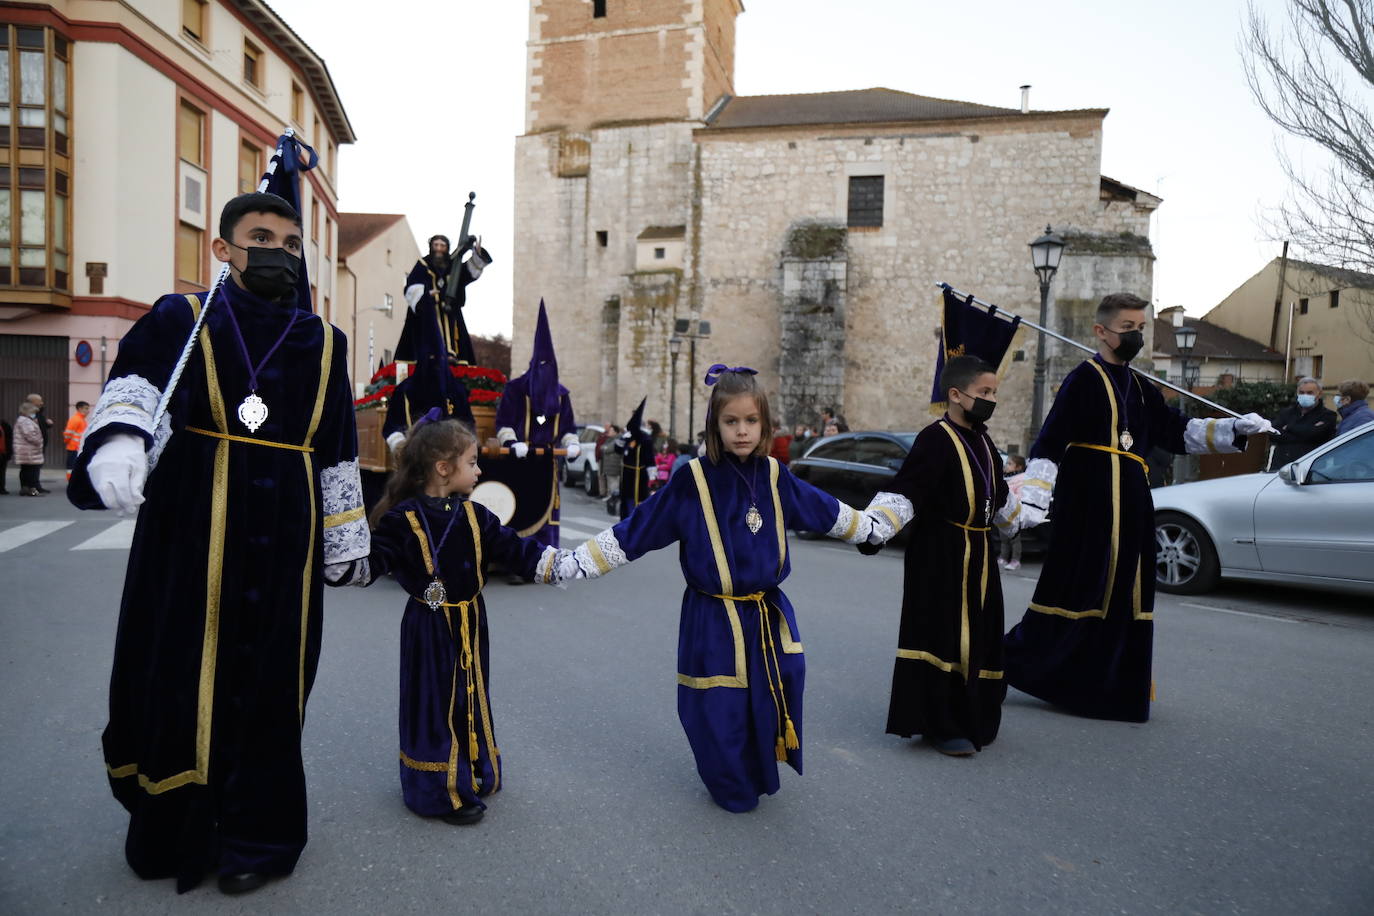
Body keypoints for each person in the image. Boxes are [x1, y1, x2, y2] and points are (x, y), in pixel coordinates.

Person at [67, 190, 368, 894]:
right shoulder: (183, 316)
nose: (279, 253)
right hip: (190, 531)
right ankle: (175, 831)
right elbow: (138, 382)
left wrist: (345, 537)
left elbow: (337, 446)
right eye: (262, 237)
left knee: (270, 690)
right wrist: (118, 440)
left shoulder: (325, 342)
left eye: (293, 244)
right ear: (224, 249)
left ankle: (256, 841)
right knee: (177, 677)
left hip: (285, 541)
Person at [556, 365, 895, 813]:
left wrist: (869, 528)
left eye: (750, 421)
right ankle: (728, 782)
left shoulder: (775, 475)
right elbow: (640, 527)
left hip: (766, 613)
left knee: (771, 693)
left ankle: (756, 772)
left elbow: (823, 510)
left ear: (764, 423)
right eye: (731, 421)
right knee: (719, 705)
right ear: (716, 424)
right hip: (713, 616)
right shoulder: (692, 479)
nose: (742, 431)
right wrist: (580, 562)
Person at [1003, 293, 1274, 723]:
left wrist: (1234, 428)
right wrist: (1034, 498)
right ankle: (1016, 663)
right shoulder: (1083, 380)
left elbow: (1176, 431)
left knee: (1127, 591)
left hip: (1131, 500)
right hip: (1088, 502)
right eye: (1128, 328)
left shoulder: (1143, 386)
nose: (1136, 335)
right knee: (1079, 587)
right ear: (1102, 331)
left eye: (1141, 328)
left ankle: (1112, 689)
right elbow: (1050, 443)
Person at [325, 414, 566, 825]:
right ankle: (437, 790)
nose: (479, 470)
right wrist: (338, 557)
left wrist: (577, 564)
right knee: (434, 702)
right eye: (472, 462)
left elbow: (520, 552)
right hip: (428, 625)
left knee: (471, 694)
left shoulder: (477, 516)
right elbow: (371, 564)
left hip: (471, 621)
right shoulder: (402, 519)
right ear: (443, 468)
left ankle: (473, 770)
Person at [855, 356, 1039, 756]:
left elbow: (999, 498)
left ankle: (975, 714)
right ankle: (941, 724)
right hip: (939, 556)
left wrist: (1028, 519)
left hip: (981, 555)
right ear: (955, 395)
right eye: (984, 392)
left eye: (994, 392)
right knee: (943, 635)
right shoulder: (935, 438)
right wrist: (875, 528)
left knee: (982, 633)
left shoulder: (985, 442)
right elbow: (908, 490)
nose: (991, 399)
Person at [493, 300, 581, 551]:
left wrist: (572, 443)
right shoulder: (515, 389)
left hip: (547, 462)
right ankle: (518, 557)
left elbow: (567, 428)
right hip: (520, 460)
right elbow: (504, 423)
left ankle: (546, 555)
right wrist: (512, 443)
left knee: (547, 508)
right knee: (520, 508)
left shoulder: (561, 395)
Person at [395, 234, 491, 366]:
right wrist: (426, 295)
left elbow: (468, 274)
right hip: (428, 311)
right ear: (431, 247)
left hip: (450, 312)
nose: (439, 248)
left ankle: (450, 355)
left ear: (447, 248)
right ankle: (432, 354)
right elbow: (411, 287)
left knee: (454, 338)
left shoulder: (454, 266)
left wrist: (477, 256)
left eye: (442, 245)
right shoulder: (422, 265)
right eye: (436, 245)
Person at [1270, 377, 1338, 467]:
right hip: (1281, 465)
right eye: (1301, 392)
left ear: (1319, 394)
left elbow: (1316, 435)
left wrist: (1289, 427)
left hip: (1311, 467)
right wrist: (1305, 433)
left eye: (1310, 393)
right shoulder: (1286, 413)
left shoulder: (1328, 415)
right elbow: (1273, 434)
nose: (1305, 395)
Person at [616, 399, 654, 520]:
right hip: (626, 475)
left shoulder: (645, 439)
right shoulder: (628, 437)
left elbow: (650, 459)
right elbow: (618, 450)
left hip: (639, 476)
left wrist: (652, 478)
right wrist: (621, 440)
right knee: (626, 500)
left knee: (637, 501)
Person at [999, 453, 1027, 571]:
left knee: (1014, 539)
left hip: (1015, 513)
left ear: (1019, 467)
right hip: (1005, 513)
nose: (1007, 465)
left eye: (1010, 463)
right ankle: (1003, 557)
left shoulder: (1021, 479)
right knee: (1004, 538)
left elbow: (1021, 496)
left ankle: (1015, 560)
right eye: (1007, 463)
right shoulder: (1006, 477)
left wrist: (1009, 496)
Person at [14, 401, 45, 496]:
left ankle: (25, 489)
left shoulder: (23, 420)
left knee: (25, 470)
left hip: (25, 450)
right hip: (29, 451)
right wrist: (39, 441)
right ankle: (32, 490)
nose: (34, 414)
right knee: (32, 471)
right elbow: (30, 435)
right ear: (27, 411)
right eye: (33, 412)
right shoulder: (25, 421)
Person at [25, 393, 52, 492]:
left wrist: (48, 424)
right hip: (33, 445)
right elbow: (31, 428)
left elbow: (41, 425)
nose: (42, 402)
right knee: (31, 467)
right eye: (39, 401)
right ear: (33, 402)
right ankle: (31, 487)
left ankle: (34, 486)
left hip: (39, 444)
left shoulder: (38, 413)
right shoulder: (29, 413)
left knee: (36, 466)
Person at [64, 401, 91, 480]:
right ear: (79, 408)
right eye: (86, 408)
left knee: (74, 466)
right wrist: (69, 443)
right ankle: (71, 481)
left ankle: (73, 481)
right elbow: (68, 434)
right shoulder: (76, 419)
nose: (88, 411)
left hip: (77, 447)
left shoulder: (81, 419)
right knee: (71, 467)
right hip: (74, 447)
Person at [0, 415, 12, 494]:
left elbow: (9, 438)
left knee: (2, 471)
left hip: (3, 452)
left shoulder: (4, 425)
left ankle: (1, 488)